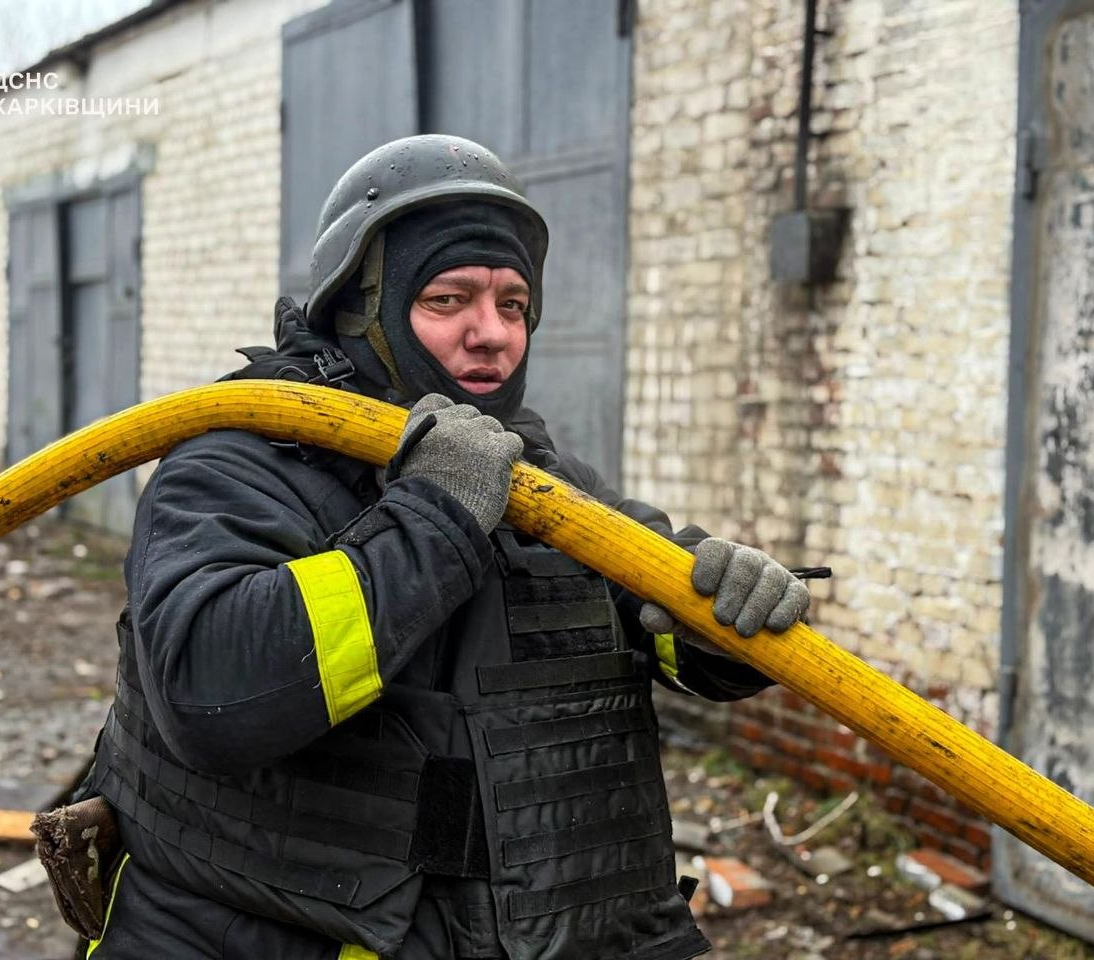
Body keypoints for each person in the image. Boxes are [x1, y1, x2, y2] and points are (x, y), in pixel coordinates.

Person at [77, 134, 811, 959]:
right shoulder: (237, 463)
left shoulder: (544, 483)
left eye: (513, 304)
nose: (491, 333)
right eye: (448, 298)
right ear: (360, 311)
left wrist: (724, 621)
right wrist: (436, 518)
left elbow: (651, 598)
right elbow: (211, 694)